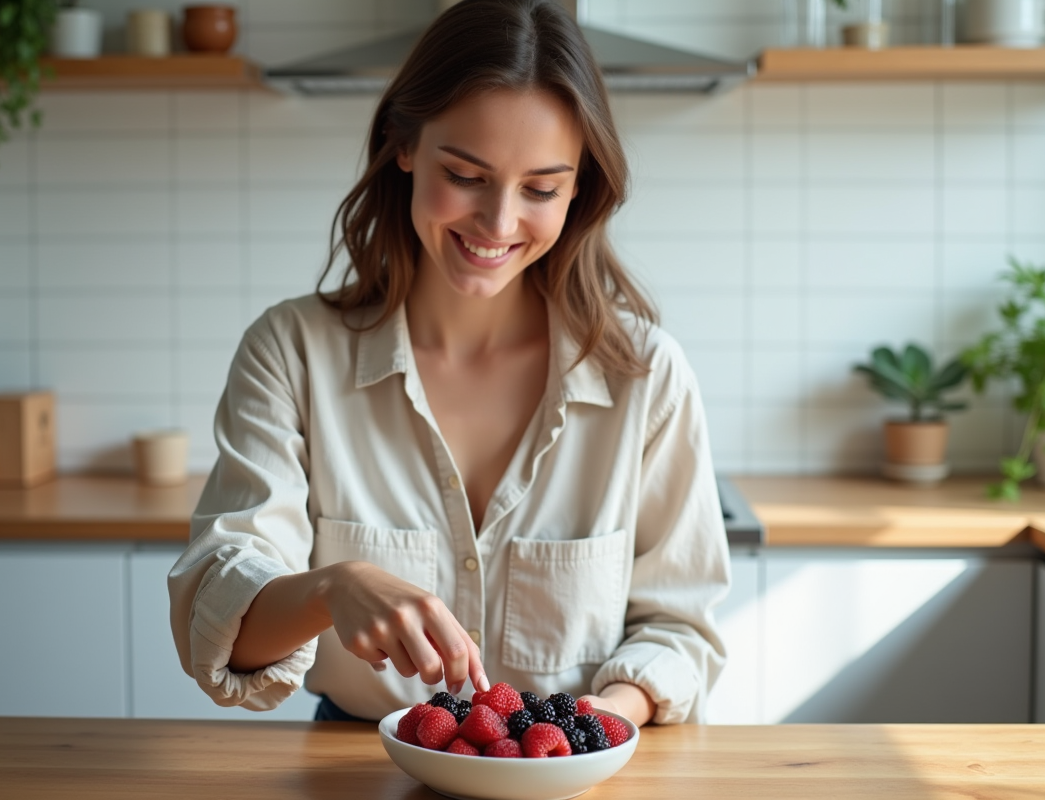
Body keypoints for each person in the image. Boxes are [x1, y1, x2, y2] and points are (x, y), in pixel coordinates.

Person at [168, 0, 730, 728]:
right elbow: (219, 620)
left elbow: (683, 628)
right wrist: (331, 588)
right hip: (359, 764)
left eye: (540, 189)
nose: (498, 224)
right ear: (404, 144)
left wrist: (598, 716)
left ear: (579, 189)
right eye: (466, 174)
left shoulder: (646, 375)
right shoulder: (291, 353)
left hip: (575, 766)